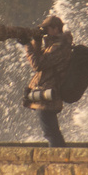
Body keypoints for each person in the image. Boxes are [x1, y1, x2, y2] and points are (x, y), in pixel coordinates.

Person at [17, 15, 74, 147]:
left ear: (55, 29)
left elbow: (37, 64)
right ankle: (60, 157)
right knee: (51, 131)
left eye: (45, 29)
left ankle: (59, 159)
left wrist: (27, 44)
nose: (44, 33)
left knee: (50, 132)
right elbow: (39, 57)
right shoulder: (55, 45)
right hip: (46, 93)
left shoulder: (59, 46)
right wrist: (36, 41)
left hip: (49, 94)